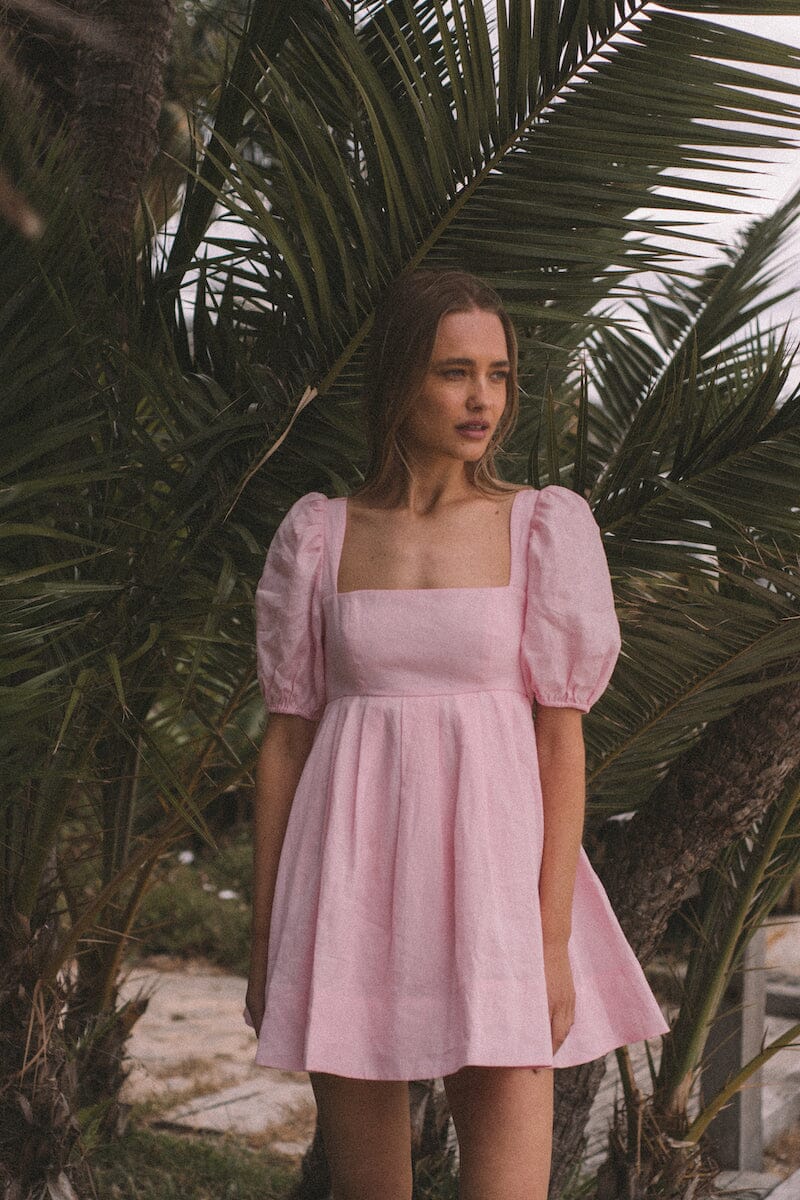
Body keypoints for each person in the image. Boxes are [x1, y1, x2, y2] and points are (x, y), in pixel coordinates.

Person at [244, 268, 669, 1200]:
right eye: (454, 371)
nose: (483, 398)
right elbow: (284, 742)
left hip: (499, 900)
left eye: (501, 373)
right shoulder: (319, 534)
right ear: (399, 380)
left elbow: (562, 743)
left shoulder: (544, 530)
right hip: (347, 893)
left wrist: (550, 941)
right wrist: (268, 930)